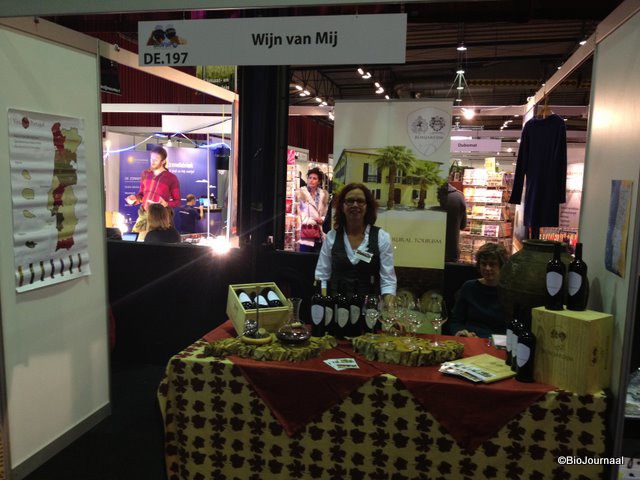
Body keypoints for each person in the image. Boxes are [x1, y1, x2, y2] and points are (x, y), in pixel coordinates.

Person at [315, 183, 397, 303]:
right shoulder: (332, 237)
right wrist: (323, 303)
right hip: (336, 307)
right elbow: (322, 275)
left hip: (369, 309)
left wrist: (389, 309)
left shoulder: (382, 237)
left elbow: (388, 281)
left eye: (360, 201)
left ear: (367, 206)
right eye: (349, 201)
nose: (355, 205)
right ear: (342, 206)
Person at [450, 242, 509, 338]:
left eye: (492, 264)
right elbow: (456, 321)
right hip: (471, 339)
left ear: (501, 266)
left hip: (498, 342)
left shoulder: (509, 292)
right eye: (483, 263)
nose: (487, 268)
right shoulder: (469, 287)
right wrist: (461, 332)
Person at [125, 145, 181, 233]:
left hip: (160, 218)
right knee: (135, 239)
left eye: (156, 160)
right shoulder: (145, 174)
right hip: (144, 215)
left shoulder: (171, 178)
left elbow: (177, 201)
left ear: (163, 161)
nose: (152, 162)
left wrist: (166, 203)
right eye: (151, 159)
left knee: (155, 240)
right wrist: (134, 198)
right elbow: (142, 195)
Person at [297, 167, 329, 252]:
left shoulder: (323, 195)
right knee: (305, 257)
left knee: (317, 257)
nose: (311, 180)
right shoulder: (301, 193)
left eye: (314, 178)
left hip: (319, 233)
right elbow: (298, 212)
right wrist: (310, 220)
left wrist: (322, 219)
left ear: (319, 181)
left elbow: (325, 212)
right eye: (310, 178)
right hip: (306, 232)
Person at [438, 181, 468, 262]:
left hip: (429, 248)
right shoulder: (459, 196)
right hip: (451, 250)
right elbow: (463, 225)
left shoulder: (432, 195)